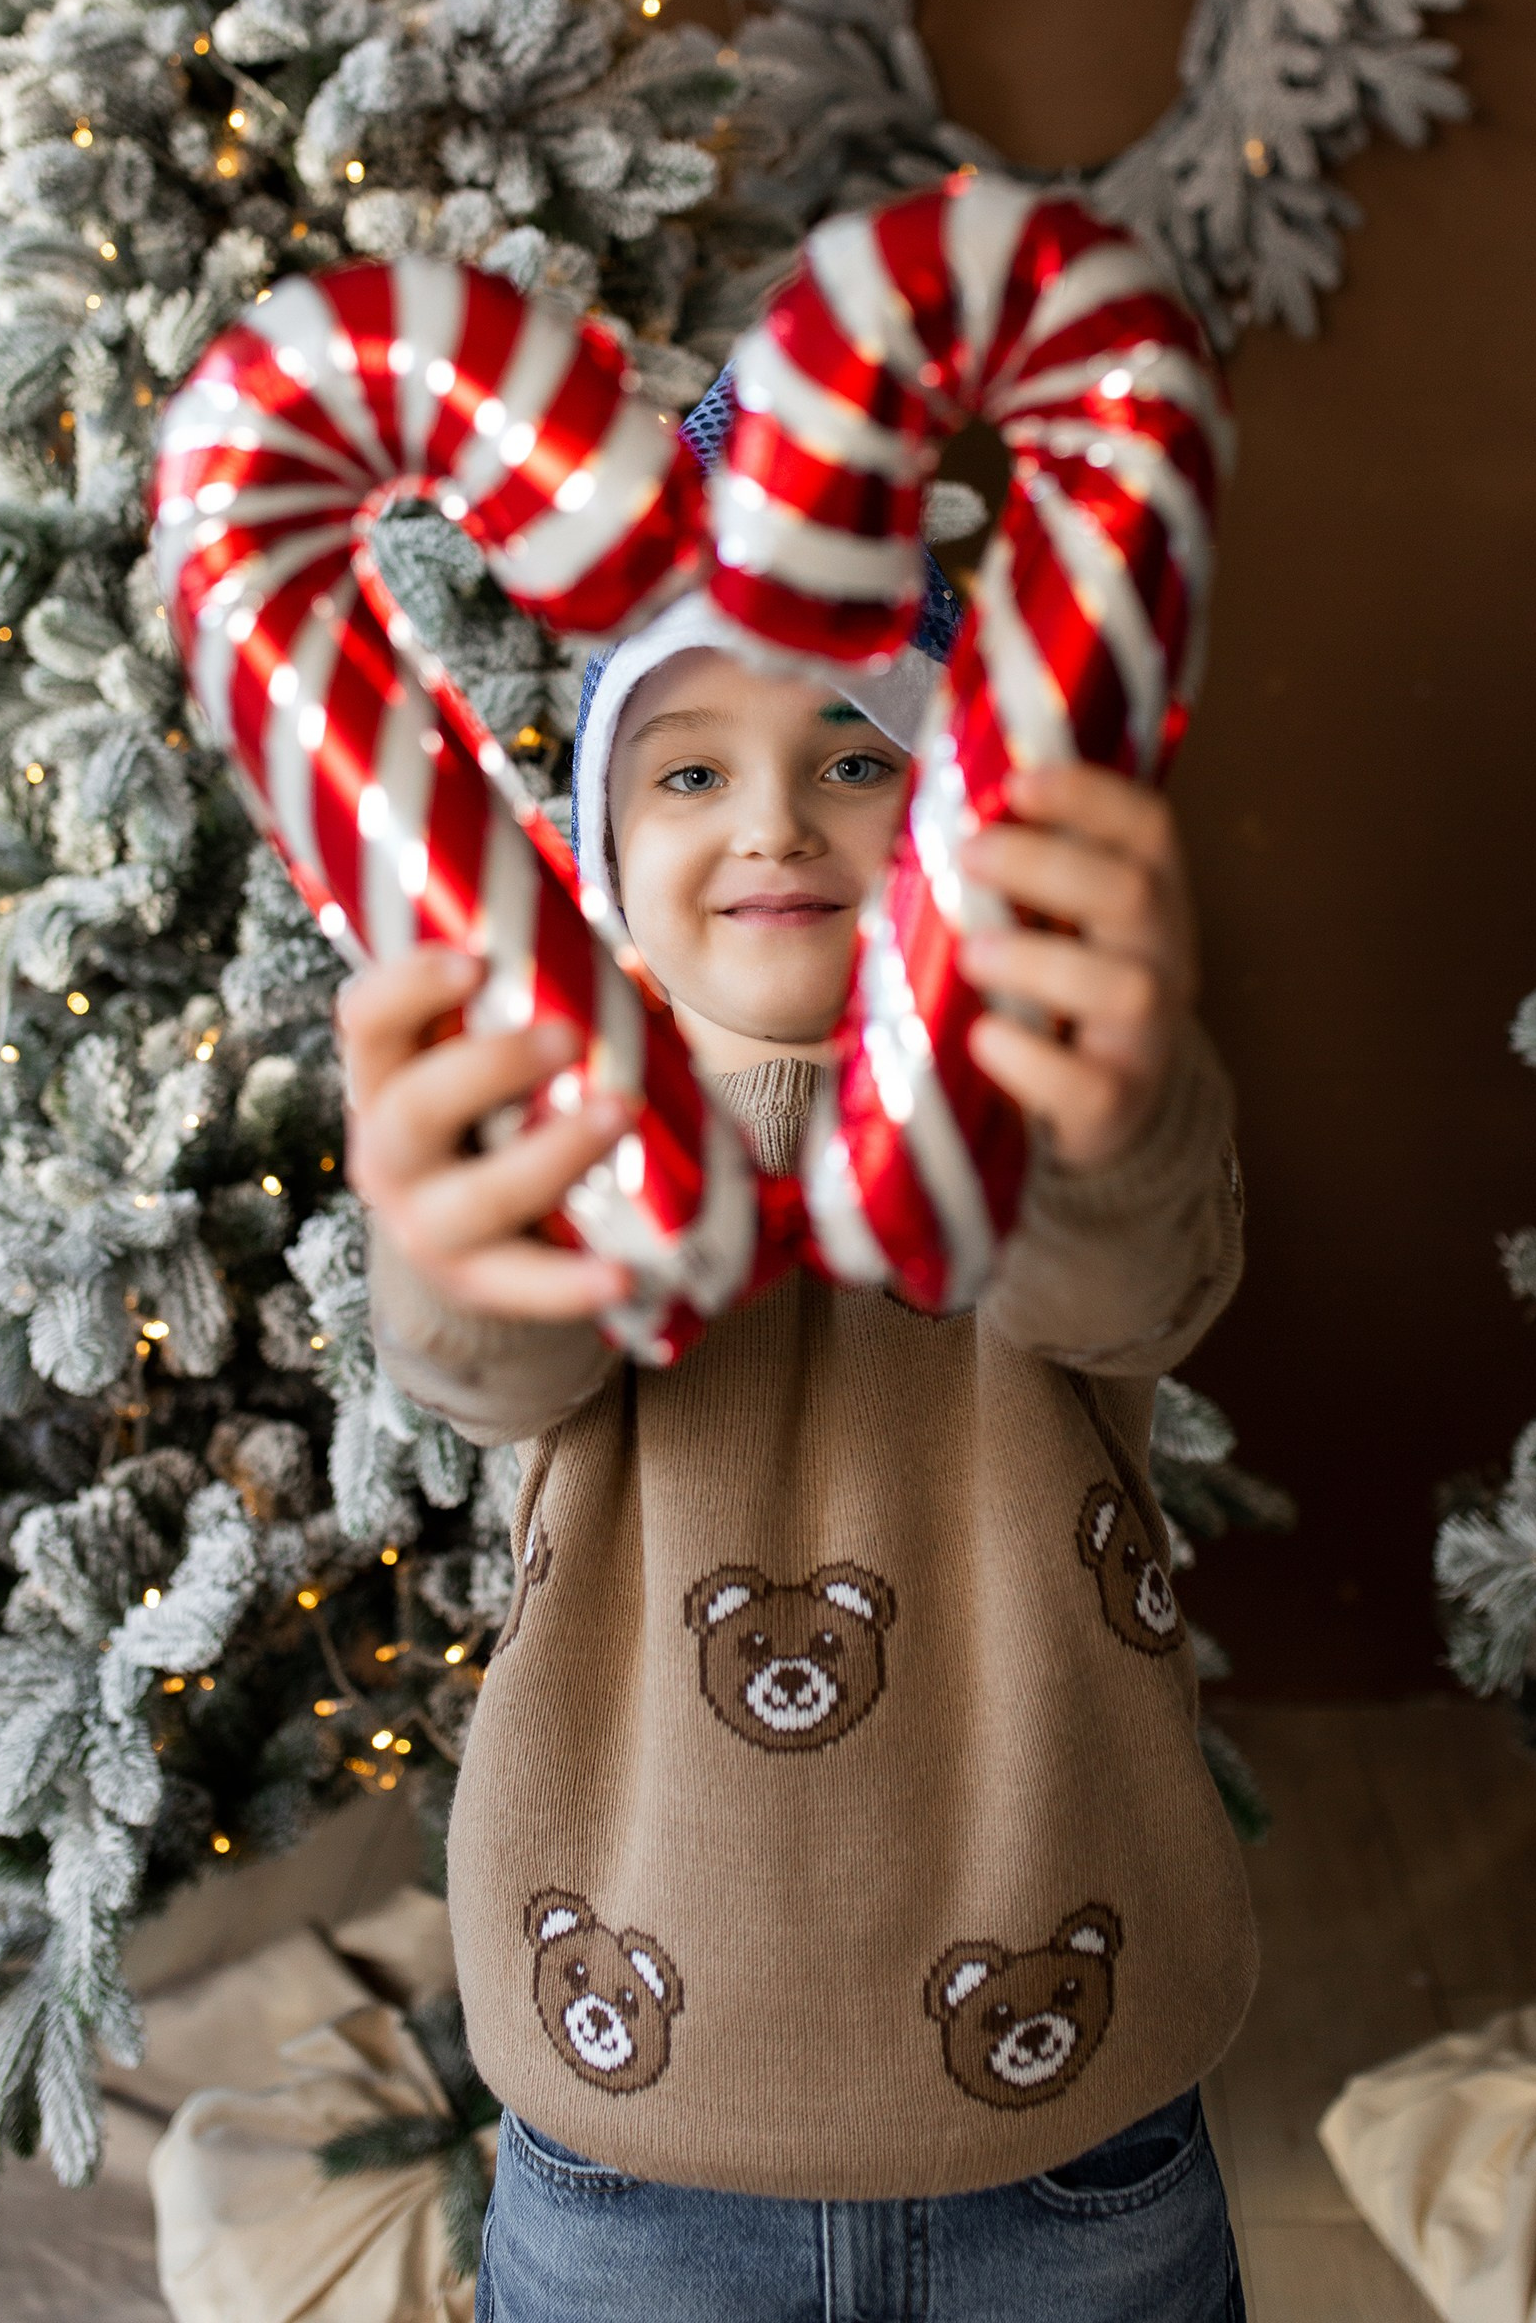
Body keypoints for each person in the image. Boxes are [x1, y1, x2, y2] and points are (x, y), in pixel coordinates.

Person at [343, 382, 1256, 2323]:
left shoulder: (1040, 1092)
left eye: (855, 760)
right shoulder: (562, 1103)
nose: (772, 817)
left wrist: (1096, 1074)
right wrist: (452, 1224)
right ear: (601, 847)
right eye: (685, 772)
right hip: (631, 2123)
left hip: (1070, 2109)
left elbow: (1133, 1283)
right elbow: (486, 1364)